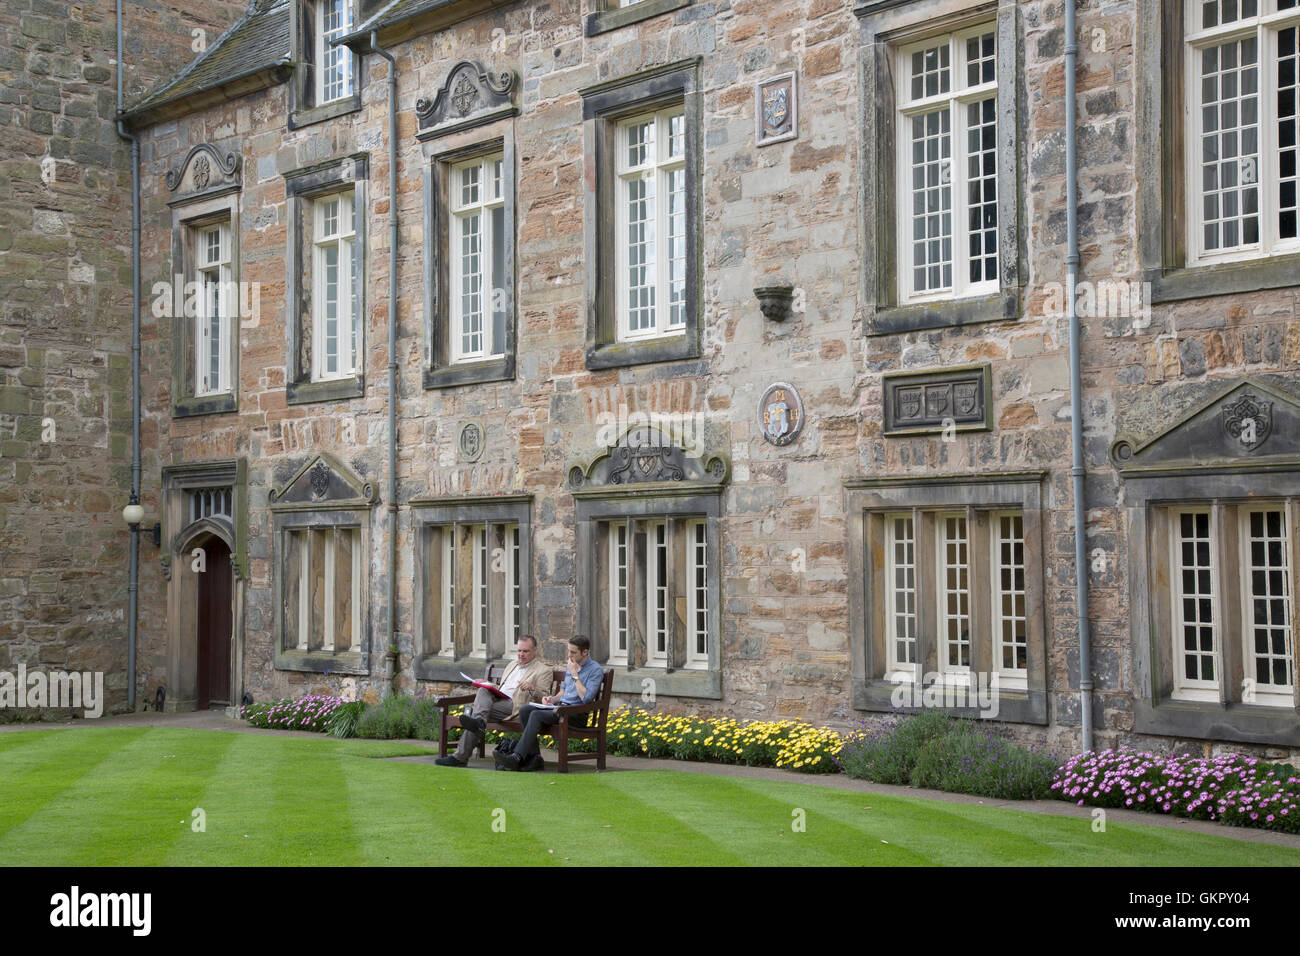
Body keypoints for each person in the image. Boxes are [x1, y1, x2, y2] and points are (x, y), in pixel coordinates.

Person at [435, 634, 552, 767]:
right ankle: (478, 723)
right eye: (519, 650)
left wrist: (531, 688)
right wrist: (487, 683)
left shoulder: (543, 670)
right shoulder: (512, 665)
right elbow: (503, 687)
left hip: (517, 706)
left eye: (525, 651)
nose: (521, 654)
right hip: (499, 700)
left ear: (535, 650)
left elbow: (545, 696)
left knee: (476, 714)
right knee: (483, 691)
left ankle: (460, 757)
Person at [496, 635, 603, 772]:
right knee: (525, 710)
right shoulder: (571, 665)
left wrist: (575, 675)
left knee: (535, 715)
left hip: (576, 714)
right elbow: (563, 692)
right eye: (568, 651)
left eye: (573, 652)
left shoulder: (595, 670)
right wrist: (551, 700)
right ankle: (535, 758)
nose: (569, 655)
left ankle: (517, 756)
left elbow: (587, 698)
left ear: (585, 652)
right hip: (561, 709)